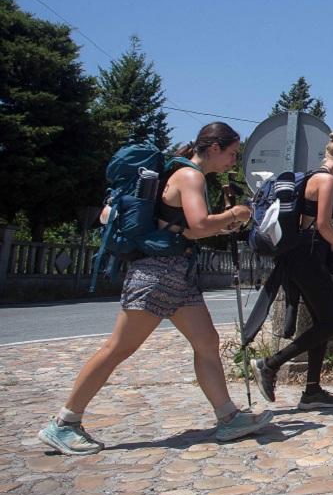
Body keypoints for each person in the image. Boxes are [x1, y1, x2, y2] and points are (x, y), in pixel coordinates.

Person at [38, 122, 274, 455]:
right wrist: (235, 213)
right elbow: (199, 225)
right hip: (157, 275)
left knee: (207, 341)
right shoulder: (190, 176)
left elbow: (187, 232)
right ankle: (64, 423)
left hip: (176, 275)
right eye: (233, 153)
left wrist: (222, 222)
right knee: (118, 347)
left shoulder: (184, 174)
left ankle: (228, 417)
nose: (234, 162)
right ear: (215, 147)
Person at [252, 131, 333, 409]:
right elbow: (323, 225)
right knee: (332, 322)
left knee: (321, 323)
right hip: (309, 254)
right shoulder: (326, 180)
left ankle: (312, 390)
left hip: (297, 254)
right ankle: (269, 365)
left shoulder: (311, 176)